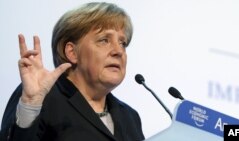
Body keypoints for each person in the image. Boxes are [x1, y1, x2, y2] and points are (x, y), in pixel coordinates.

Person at [0, 2, 145, 141]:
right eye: (104, 40)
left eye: (123, 43)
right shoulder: (41, 98)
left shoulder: (130, 117)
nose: (118, 51)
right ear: (72, 52)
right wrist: (30, 105)